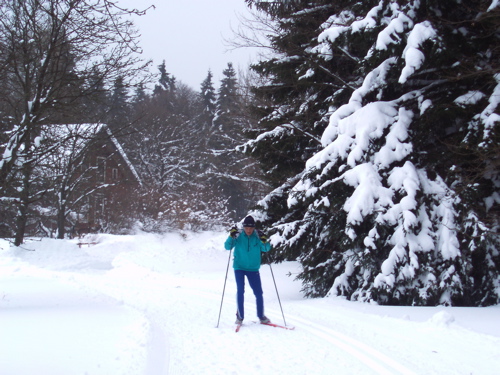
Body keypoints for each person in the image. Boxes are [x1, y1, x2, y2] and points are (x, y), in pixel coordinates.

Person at [224, 215, 271, 325]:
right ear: (244, 227)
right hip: (239, 267)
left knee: (258, 293)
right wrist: (231, 236)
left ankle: (261, 316)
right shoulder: (238, 236)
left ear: (254, 228)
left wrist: (265, 240)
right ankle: (240, 317)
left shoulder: (257, 236)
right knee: (240, 291)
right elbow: (227, 247)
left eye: (251, 228)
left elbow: (266, 249)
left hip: (253, 268)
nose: (248, 230)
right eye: (246, 228)